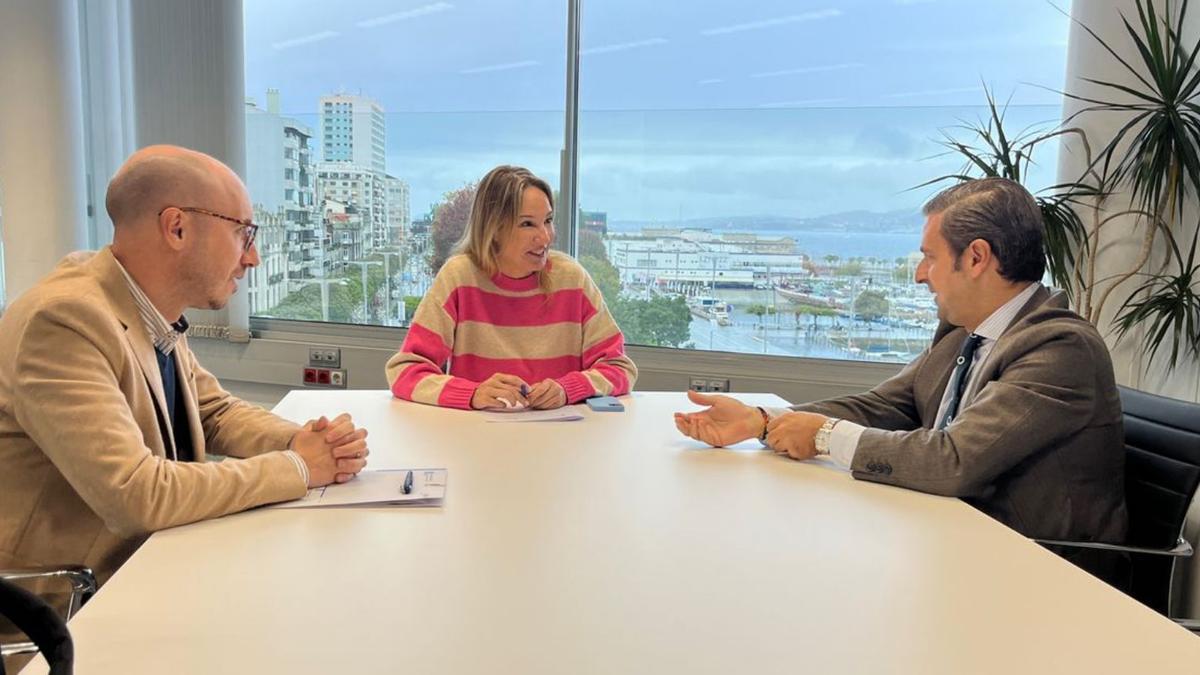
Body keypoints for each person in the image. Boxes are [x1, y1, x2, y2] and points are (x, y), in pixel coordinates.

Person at [674, 178, 1128, 572]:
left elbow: (954, 461)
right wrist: (764, 419)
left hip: (1042, 576)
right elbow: (886, 406)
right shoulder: (962, 333)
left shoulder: (1059, 348)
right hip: (955, 543)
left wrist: (825, 436)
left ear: (976, 258)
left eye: (930, 257)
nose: (918, 275)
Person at [0, 145, 371, 594]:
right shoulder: (64, 320)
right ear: (177, 228)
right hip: (72, 605)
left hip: (151, 564)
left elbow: (213, 410)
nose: (251, 258)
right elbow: (136, 494)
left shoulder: (143, 303)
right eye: (243, 234)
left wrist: (305, 440)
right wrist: (299, 467)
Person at [386, 165, 636, 410]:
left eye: (548, 221)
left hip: (561, 438)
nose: (546, 237)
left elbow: (619, 367)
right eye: (527, 224)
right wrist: (472, 394)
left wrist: (567, 389)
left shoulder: (572, 279)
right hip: (476, 437)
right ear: (494, 229)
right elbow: (404, 371)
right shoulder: (459, 277)